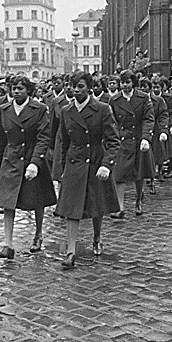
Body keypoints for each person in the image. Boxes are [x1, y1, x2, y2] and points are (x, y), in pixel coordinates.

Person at [55, 71, 121, 268]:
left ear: (89, 88)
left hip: (95, 161)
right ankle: (71, 251)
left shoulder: (102, 109)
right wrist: (62, 169)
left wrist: (106, 164)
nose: (76, 90)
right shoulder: (66, 111)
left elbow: (113, 141)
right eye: (74, 86)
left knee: (96, 204)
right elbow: (64, 142)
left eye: (81, 86)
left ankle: (97, 236)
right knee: (71, 209)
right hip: (74, 162)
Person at [0, 75, 56, 259]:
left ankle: (38, 234)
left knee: (37, 200)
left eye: (20, 88)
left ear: (29, 90)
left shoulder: (40, 109)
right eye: (13, 88)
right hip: (11, 160)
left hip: (32, 159)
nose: (16, 91)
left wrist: (35, 162)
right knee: (7, 201)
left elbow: (44, 137)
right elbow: (1, 139)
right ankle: (8, 244)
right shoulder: (4, 109)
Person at [108, 70, 155, 216]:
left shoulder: (143, 98)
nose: (124, 85)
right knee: (119, 174)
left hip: (138, 139)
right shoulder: (114, 100)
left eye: (127, 82)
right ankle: (119, 207)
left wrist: (146, 138)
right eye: (122, 82)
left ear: (133, 83)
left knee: (138, 173)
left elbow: (148, 118)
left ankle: (138, 200)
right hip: (122, 141)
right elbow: (110, 121)